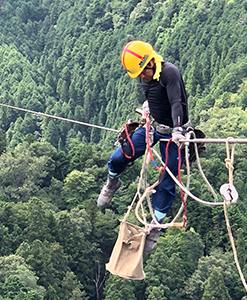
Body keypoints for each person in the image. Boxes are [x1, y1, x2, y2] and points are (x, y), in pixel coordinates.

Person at [97, 40, 191, 252]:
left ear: (150, 64)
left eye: (142, 73)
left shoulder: (169, 73)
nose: (141, 77)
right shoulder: (145, 76)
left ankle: (155, 223)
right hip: (153, 125)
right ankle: (112, 181)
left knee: (169, 177)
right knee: (122, 154)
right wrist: (148, 107)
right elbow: (153, 96)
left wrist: (177, 129)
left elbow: (177, 102)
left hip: (175, 131)